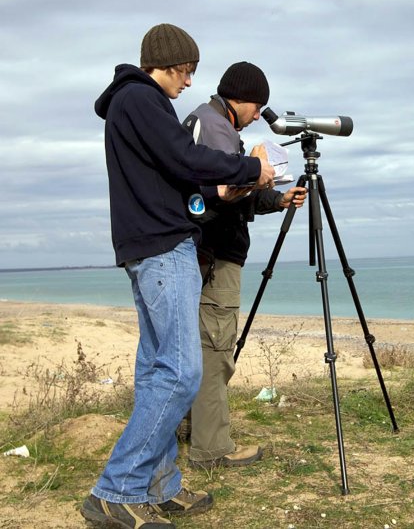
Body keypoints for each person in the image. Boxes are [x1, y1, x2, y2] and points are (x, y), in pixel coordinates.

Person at [80, 26, 275, 529]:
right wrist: (249, 169)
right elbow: (186, 158)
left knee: (155, 371)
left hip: (152, 244)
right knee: (184, 371)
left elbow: (174, 177)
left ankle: (160, 485)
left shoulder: (134, 104)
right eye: (186, 71)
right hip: (163, 249)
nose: (190, 82)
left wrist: (219, 195)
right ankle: (117, 489)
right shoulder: (142, 100)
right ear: (164, 64)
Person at [181, 62, 307, 470]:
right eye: (258, 107)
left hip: (199, 254)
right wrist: (255, 171)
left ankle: (189, 432)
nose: (258, 116)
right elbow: (221, 194)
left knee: (195, 348)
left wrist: (277, 199)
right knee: (216, 350)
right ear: (242, 98)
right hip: (214, 258)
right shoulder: (216, 128)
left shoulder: (207, 122)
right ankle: (212, 448)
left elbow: (227, 195)